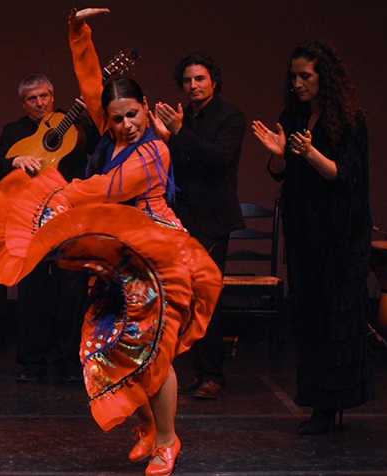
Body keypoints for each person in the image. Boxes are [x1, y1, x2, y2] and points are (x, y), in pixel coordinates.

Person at [0, 9, 223, 476]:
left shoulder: (154, 150)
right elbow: (93, 83)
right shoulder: (109, 138)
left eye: (133, 113)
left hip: (158, 259)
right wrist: (77, 31)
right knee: (103, 349)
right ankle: (148, 426)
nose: (127, 124)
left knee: (154, 351)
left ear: (147, 107)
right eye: (117, 118)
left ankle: (168, 441)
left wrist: (45, 191)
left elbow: (106, 190)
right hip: (118, 259)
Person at [252, 40, 373, 435]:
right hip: (304, 232)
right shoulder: (294, 115)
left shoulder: (351, 121)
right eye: (294, 76)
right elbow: (281, 171)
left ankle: (331, 406)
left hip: (340, 235)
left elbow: (345, 176)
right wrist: (279, 153)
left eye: (306, 75)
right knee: (308, 318)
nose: (299, 83)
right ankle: (317, 403)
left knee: (334, 319)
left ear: (326, 78)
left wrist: (308, 153)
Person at [0, 74, 95, 382]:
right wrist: (15, 161)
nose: (40, 102)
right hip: (28, 220)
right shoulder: (14, 131)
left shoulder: (73, 125)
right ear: (24, 103)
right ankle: (32, 363)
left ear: (53, 95)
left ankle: (68, 362)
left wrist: (87, 116)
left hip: (67, 214)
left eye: (44, 96)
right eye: (32, 98)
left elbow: (99, 148)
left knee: (71, 290)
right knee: (32, 291)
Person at [154, 54, 246, 400]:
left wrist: (178, 133)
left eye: (200, 79)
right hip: (182, 219)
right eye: (188, 80)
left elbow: (217, 158)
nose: (193, 86)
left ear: (214, 81)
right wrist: (166, 139)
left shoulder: (230, 117)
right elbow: (179, 165)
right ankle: (199, 370)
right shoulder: (184, 118)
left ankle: (213, 375)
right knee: (186, 297)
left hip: (212, 221)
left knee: (208, 296)